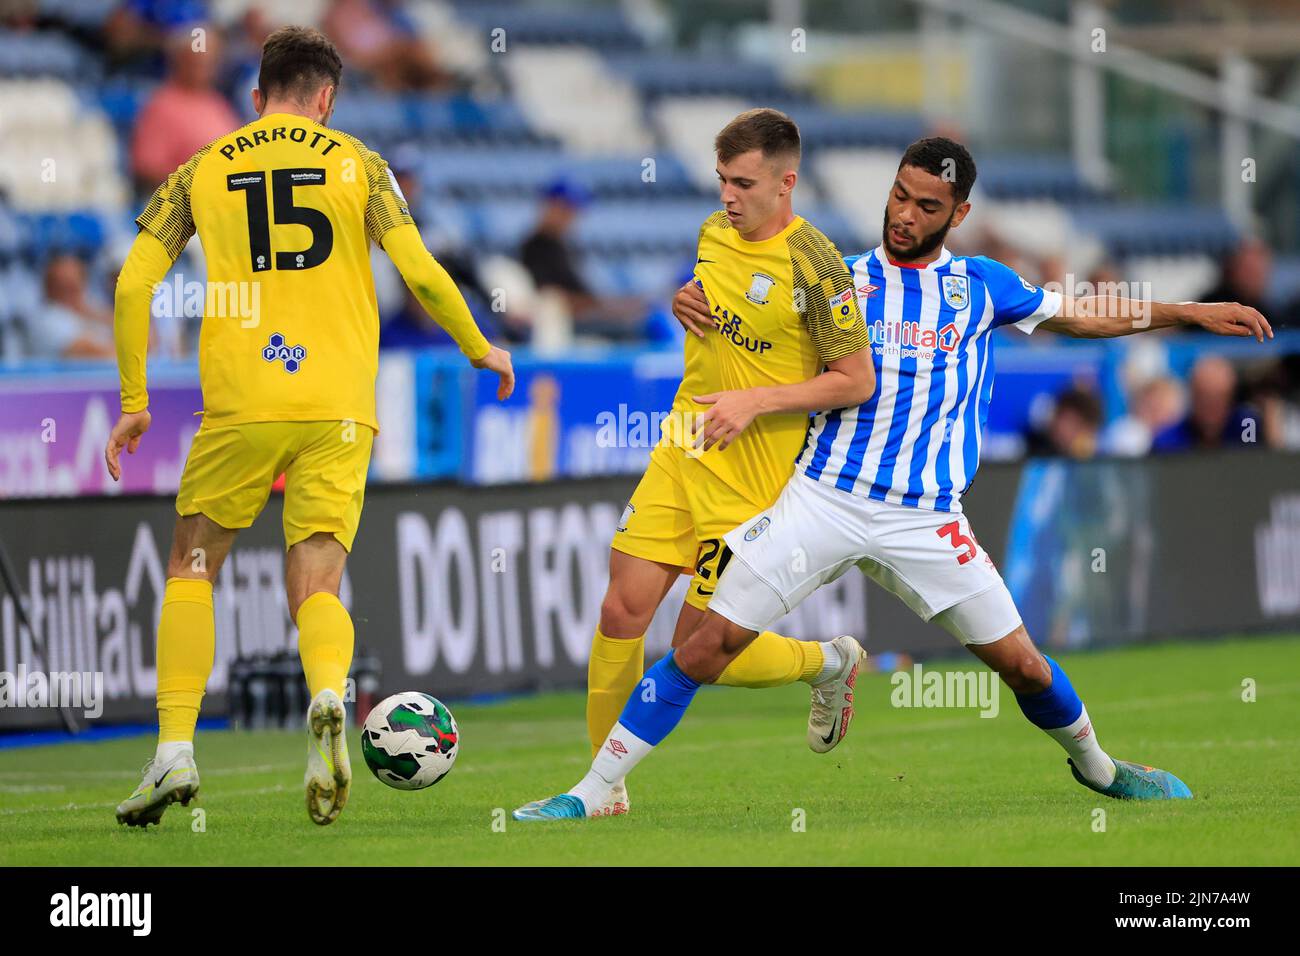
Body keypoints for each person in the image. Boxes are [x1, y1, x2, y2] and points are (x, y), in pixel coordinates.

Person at [514, 136, 1273, 820]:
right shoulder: (837, 278)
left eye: (926, 205)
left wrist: (1188, 310)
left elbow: (1080, 314)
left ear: (959, 212)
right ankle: (589, 796)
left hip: (926, 519)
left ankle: (1103, 769)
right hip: (822, 499)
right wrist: (691, 303)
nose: (905, 214)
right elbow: (755, 335)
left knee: (1022, 665)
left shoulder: (981, 285)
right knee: (701, 647)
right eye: (899, 196)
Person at [107, 26, 513, 829]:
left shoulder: (202, 169)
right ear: (326, 99)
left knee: (192, 566)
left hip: (241, 407)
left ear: (255, 96)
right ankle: (329, 693)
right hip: (338, 408)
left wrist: (134, 400)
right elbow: (423, 271)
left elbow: (130, 285)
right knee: (317, 585)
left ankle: (175, 750)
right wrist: (479, 346)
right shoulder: (360, 163)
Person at [535, 108, 874, 818]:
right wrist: (681, 299)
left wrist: (756, 401)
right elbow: (715, 314)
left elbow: (854, 380)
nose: (728, 196)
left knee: (699, 651)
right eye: (722, 179)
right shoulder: (713, 234)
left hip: (751, 481)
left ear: (787, 183)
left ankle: (829, 662)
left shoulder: (818, 265)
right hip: (684, 447)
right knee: (620, 607)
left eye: (744, 183)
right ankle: (603, 789)